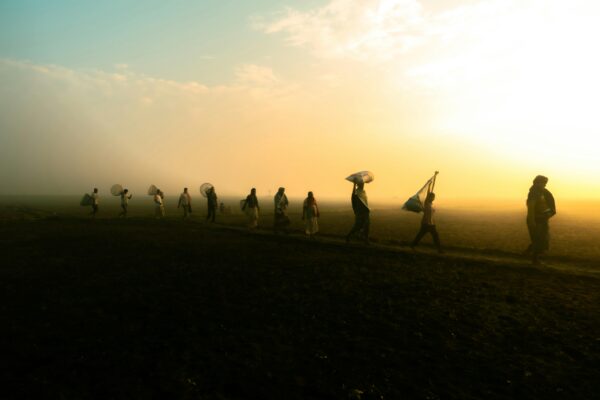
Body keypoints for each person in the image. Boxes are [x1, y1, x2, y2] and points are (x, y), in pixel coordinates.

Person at [524, 175, 556, 264]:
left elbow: (551, 206)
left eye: (544, 183)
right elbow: (531, 208)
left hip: (542, 219)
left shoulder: (544, 193)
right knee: (538, 239)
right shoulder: (533, 193)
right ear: (536, 182)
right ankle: (535, 259)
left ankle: (528, 252)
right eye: (542, 182)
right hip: (535, 220)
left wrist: (548, 214)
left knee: (542, 239)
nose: (544, 184)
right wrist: (532, 221)